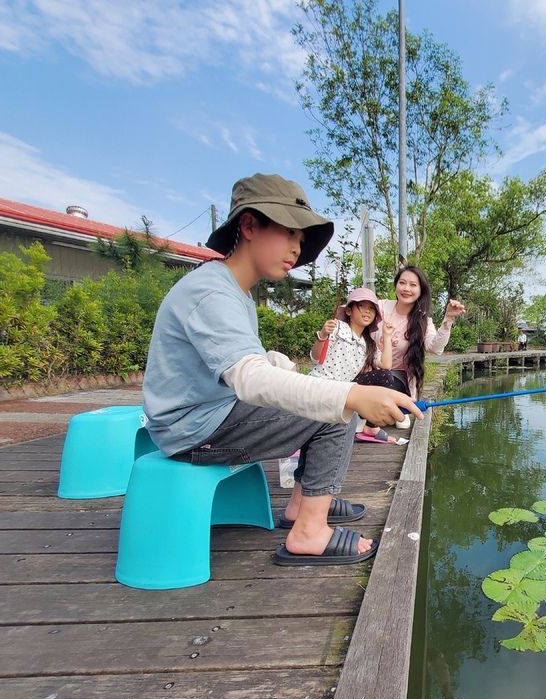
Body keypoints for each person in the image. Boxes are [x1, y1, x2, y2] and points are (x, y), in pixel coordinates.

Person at [142, 173, 421, 566]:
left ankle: (303, 506)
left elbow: (247, 363)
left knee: (331, 401)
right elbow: (249, 379)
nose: (296, 249)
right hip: (192, 429)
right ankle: (308, 531)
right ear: (250, 225)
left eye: (300, 240)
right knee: (337, 411)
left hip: (209, 416)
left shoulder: (231, 290)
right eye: (289, 233)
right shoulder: (211, 292)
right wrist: (353, 395)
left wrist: (286, 367)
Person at [354, 266, 465, 428]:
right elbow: (354, 322)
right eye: (402, 283)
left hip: (395, 378)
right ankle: (374, 413)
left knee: (387, 378)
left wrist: (448, 319)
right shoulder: (379, 307)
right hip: (365, 371)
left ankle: (391, 407)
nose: (406, 289)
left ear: (421, 290)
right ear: (396, 285)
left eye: (413, 285)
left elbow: (435, 348)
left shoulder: (423, 321)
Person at [307, 287, 404, 444]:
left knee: (385, 376)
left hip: (345, 390)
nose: (367, 311)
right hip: (320, 386)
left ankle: (370, 426)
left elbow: (386, 365)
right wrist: (323, 335)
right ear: (349, 311)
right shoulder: (337, 327)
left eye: (371, 308)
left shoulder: (368, 343)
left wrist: (386, 336)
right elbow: (316, 358)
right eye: (361, 306)